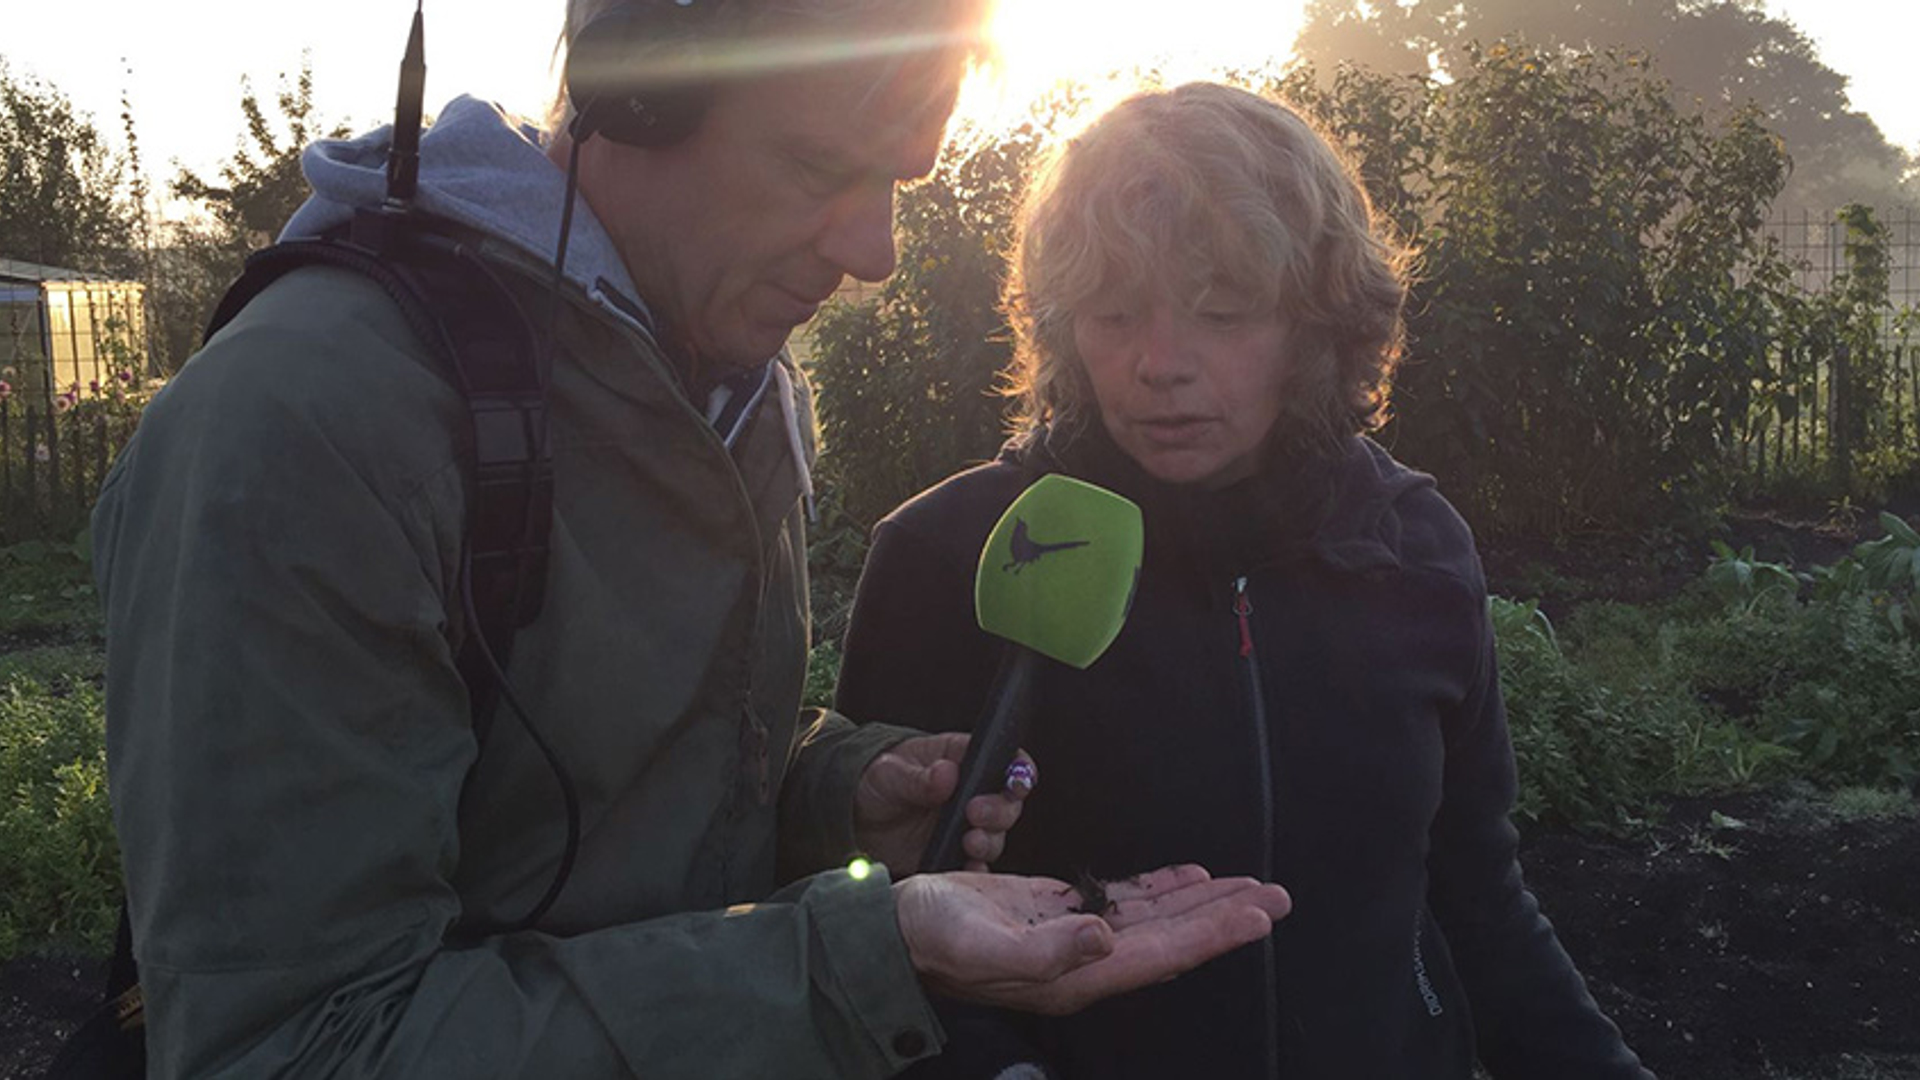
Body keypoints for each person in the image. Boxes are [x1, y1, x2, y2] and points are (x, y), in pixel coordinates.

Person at [87, 7, 1293, 1076]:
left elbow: (616, 806)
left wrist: (829, 797)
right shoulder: (307, 424)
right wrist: (856, 962)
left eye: (901, 184)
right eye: (820, 165)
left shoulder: (744, 390)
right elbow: (299, 1044)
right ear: (639, 85)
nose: (874, 253)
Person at [835, 82, 1655, 1078]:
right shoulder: (946, 552)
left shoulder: (1417, 546)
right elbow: (868, 928)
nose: (1159, 363)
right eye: (1113, 311)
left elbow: (1477, 891)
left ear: (1320, 327)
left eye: (1223, 314)